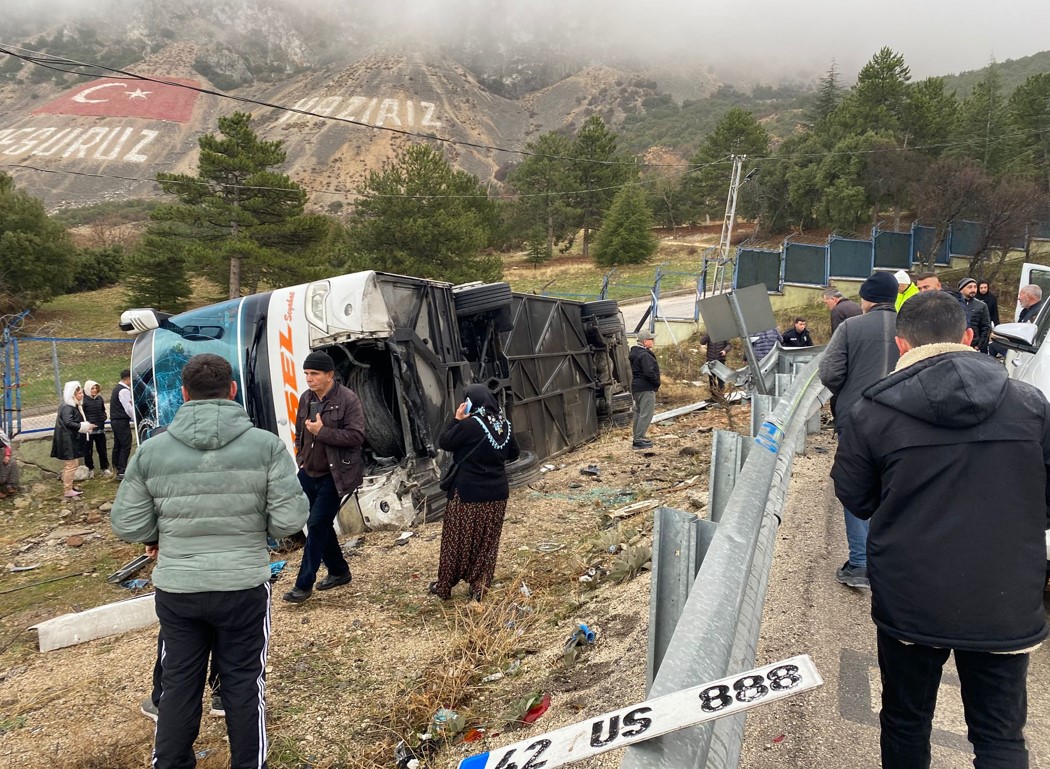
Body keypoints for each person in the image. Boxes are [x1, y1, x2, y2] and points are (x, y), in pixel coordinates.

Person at [830, 290, 1050, 769]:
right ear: (970, 337)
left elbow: (856, 496)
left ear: (902, 346)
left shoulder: (871, 413)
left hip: (912, 594)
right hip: (1005, 596)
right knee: (1000, 736)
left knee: (907, 721)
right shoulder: (1031, 405)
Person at [111, 353, 307, 769]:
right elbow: (290, 518)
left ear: (184, 395)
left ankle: (170, 763)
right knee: (242, 683)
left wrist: (155, 535)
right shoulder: (266, 446)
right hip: (242, 586)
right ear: (231, 390)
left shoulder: (151, 451)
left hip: (179, 588)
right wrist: (260, 526)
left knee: (179, 683)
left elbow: (127, 521)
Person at [817, 271, 900, 590]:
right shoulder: (910, 327)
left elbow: (829, 372)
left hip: (857, 418)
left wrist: (848, 392)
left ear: (866, 298)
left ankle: (860, 564)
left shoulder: (851, 327)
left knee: (856, 486)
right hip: (903, 419)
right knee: (895, 487)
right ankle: (889, 560)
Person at [283, 350, 365, 604]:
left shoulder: (348, 399)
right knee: (319, 524)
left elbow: (356, 437)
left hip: (336, 474)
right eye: (306, 373)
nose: (309, 378)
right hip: (309, 471)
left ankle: (303, 585)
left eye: (314, 374)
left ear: (329, 375)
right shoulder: (306, 398)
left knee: (317, 524)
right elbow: (299, 433)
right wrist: (301, 459)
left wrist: (323, 431)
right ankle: (339, 571)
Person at [430, 384, 520, 601]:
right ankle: (479, 588)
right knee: (488, 542)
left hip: (468, 495)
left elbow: (444, 441)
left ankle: (444, 586)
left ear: (470, 402)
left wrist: (457, 418)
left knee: (456, 540)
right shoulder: (504, 425)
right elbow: (514, 453)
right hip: (497, 495)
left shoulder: (469, 425)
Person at [50, 381, 93, 498]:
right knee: (71, 465)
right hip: (67, 440)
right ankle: (67, 490)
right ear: (73, 394)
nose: (82, 395)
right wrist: (84, 426)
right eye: (79, 393)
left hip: (68, 439)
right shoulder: (68, 407)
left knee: (72, 464)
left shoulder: (70, 406)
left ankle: (69, 486)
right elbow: (69, 422)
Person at [629, 330, 660, 450]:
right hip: (646, 387)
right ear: (645, 341)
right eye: (651, 339)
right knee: (646, 413)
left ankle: (637, 437)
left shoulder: (635, 353)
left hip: (637, 387)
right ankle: (639, 439)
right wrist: (656, 382)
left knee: (638, 412)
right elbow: (649, 372)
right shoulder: (645, 355)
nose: (653, 341)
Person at [81, 380, 111, 479]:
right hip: (89, 430)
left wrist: (103, 418)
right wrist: (88, 424)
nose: (94, 390)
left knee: (102, 449)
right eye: (92, 388)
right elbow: (82, 415)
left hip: (100, 429)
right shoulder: (83, 400)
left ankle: (105, 468)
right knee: (88, 451)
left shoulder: (99, 399)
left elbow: (103, 410)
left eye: (96, 388)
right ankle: (90, 469)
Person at [110, 369, 134, 481]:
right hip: (121, 421)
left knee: (118, 445)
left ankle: (116, 467)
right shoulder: (124, 391)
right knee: (125, 444)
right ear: (128, 378)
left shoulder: (116, 389)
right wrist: (135, 418)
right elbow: (128, 407)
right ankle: (122, 470)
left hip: (116, 421)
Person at [957, 277, 992, 352]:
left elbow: (986, 327)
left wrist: (979, 346)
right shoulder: (953, 303)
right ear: (961, 289)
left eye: (975, 287)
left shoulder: (981, 305)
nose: (973, 289)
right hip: (957, 344)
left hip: (973, 345)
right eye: (970, 287)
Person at [698, 331, 731, 395]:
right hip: (710, 360)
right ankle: (713, 397)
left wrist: (725, 351)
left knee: (720, 379)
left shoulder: (724, 334)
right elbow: (702, 342)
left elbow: (729, 345)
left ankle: (720, 396)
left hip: (720, 360)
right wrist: (708, 334)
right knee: (711, 379)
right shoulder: (710, 333)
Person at [0, 426, 20, 498]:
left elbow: (7, 444)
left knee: (12, 463)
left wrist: (7, 456)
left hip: (2, 452)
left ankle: (10, 486)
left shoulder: (1, 432)